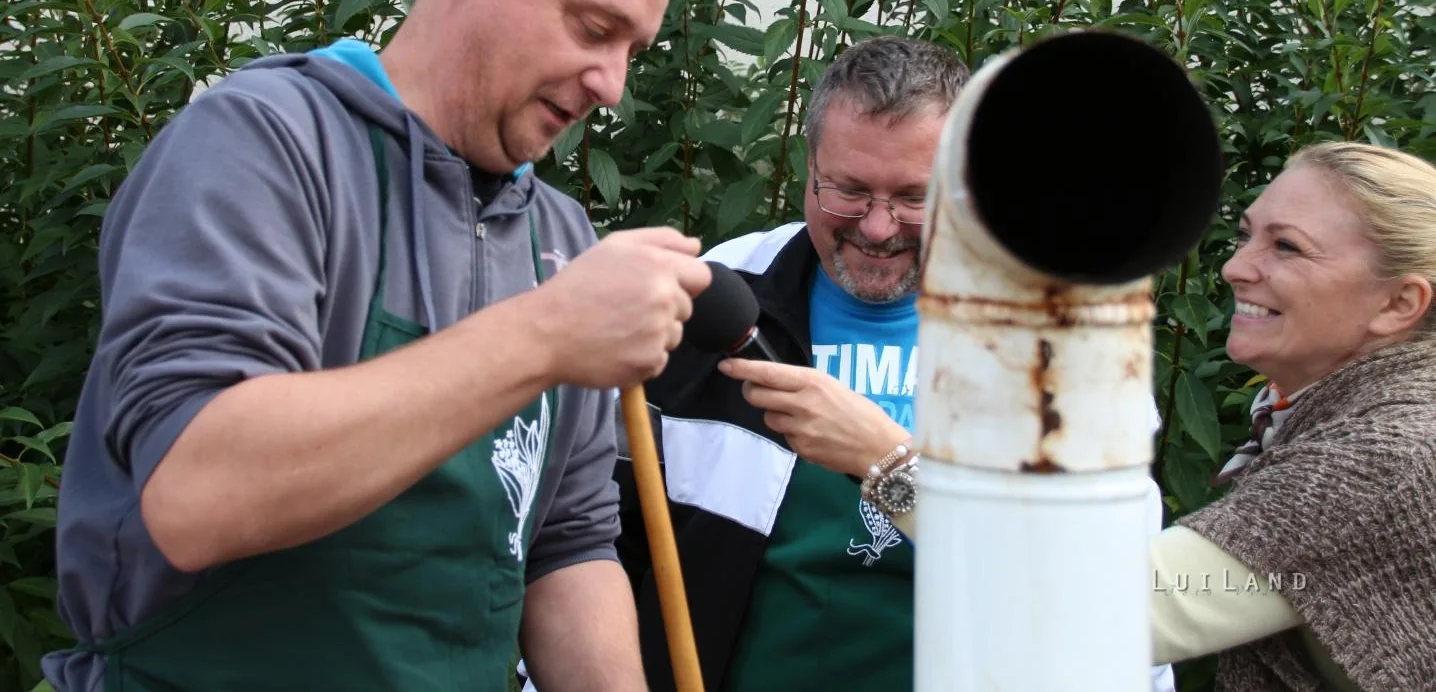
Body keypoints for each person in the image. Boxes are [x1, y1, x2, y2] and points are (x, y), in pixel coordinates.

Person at [45, 0, 712, 692]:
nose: (611, 84)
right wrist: (547, 335)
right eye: (593, 28)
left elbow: (565, 547)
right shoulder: (268, 143)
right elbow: (197, 494)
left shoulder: (561, 240)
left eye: (633, 52)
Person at [613, 35, 1176, 692]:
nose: (878, 228)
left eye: (915, 197)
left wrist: (887, 463)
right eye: (848, 190)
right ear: (808, 168)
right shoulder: (715, 300)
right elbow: (601, 534)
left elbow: (1108, 592)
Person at [1148, 141, 1436, 691]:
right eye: (1245, 235)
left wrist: (927, 471)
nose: (1234, 267)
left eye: (1286, 246)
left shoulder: (1386, 456)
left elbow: (1094, 612)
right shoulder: (1330, 409)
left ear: (1399, 304)